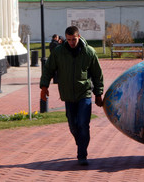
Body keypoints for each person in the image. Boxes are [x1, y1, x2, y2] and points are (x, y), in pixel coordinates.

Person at [40, 26, 104, 166]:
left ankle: (82, 155)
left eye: (74, 39)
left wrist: (98, 94)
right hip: (68, 95)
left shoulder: (89, 52)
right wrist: (44, 87)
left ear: (79, 36)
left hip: (84, 94)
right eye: (68, 40)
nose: (71, 42)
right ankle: (81, 142)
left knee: (83, 124)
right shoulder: (59, 52)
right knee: (73, 126)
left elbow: (97, 75)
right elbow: (48, 69)